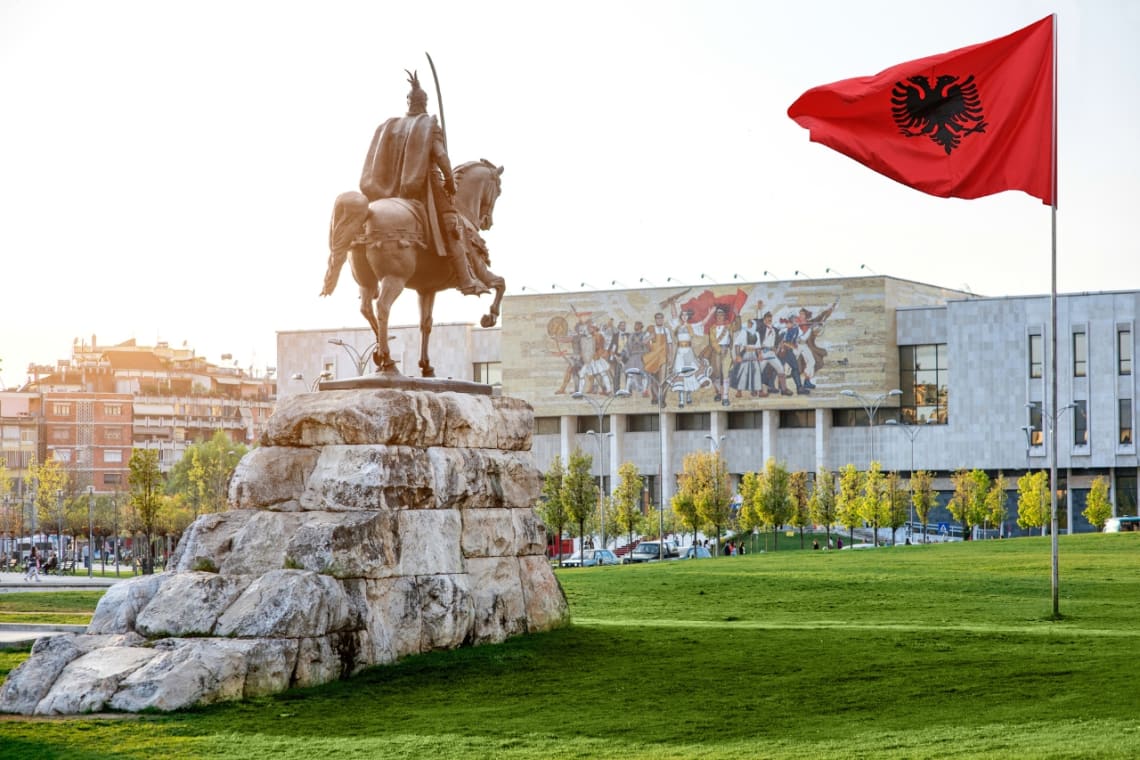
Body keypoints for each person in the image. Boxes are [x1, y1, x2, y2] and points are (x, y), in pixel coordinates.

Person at [324, 70, 483, 296]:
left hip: (388, 190)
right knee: (452, 225)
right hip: (424, 186)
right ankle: (466, 279)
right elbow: (441, 157)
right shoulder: (429, 125)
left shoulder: (390, 125)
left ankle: (365, 281)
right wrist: (450, 181)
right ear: (424, 102)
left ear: (408, 102)